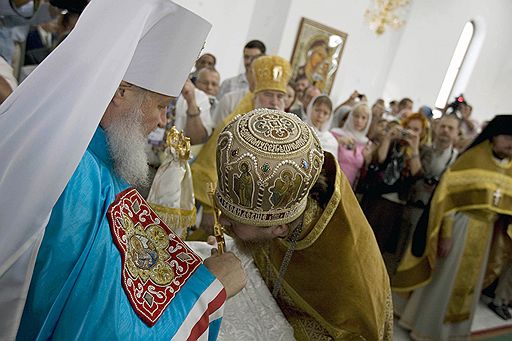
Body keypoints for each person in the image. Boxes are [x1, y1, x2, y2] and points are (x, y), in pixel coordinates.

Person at [0, 1, 246, 339]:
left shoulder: (65, 149)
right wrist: (206, 289)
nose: (162, 120)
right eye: (161, 105)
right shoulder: (79, 179)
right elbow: (103, 328)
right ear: (120, 92)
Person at [212, 108, 393, 340]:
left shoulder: (344, 275)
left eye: (235, 221)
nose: (222, 221)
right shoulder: (282, 211)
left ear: (279, 228)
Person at [393, 115, 512, 341]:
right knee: (443, 282)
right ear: (494, 136)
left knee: (467, 288)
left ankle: (453, 333)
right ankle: (426, 327)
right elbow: (445, 199)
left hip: (486, 234)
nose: (511, 143)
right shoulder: (471, 159)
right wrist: (445, 235)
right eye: (508, 137)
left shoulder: (510, 167)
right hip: (460, 230)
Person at [191, 55, 291, 214]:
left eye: (279, 96)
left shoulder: (289, 133)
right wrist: (211, 210)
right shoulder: (235, 125)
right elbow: (212, 164)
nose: (274, 102)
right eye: (268, 95)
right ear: (256, 96)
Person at [361, 112, 430, 260]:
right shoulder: (394, 143)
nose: (411, 132)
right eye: (408, 127)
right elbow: (379, 160)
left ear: (423, 133)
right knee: (362, 240)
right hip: (376, 197)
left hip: (396, 205)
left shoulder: (423, 151)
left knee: (377, 250)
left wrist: (414, 148)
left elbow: (417, 174)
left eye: (416, 129)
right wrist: (388, 138)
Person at [331, 103, 373, 188]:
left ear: (368, 121)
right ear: (351, 116)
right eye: (356, 116)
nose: (359, 120)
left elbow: (364, 171)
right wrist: (337, 142)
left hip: (349, 187)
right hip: (332, 181)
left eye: (363, 118)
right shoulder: (336, 133)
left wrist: (367, 159)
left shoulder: (367, 143)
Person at [305, 95, 339, 159]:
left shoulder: (331, 141)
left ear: (329, 116)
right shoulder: (299, 129)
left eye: (325, 113)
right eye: (317, 110)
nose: (320, 115)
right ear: (310, 109)